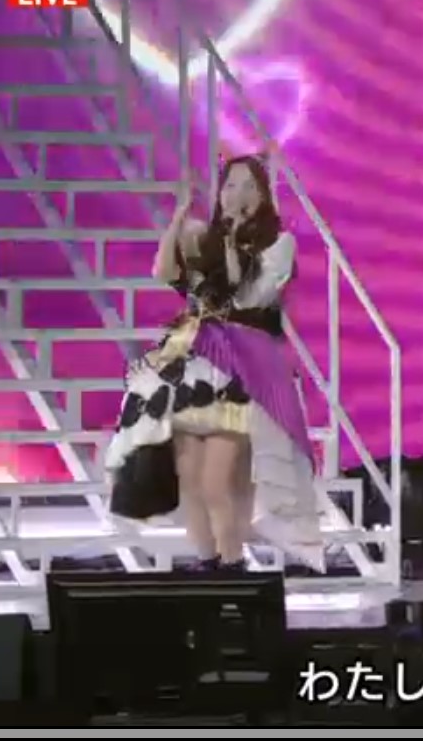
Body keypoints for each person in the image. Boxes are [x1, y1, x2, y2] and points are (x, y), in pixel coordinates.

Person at [103, 153, 326, 573]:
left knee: (218, 481)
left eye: (249, 186)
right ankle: (210, 567)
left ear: (264, 195)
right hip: (194, 359)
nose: (238, 194)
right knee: (189, 476)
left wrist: (232, 240)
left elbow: (246, 297)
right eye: (230, 185)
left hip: (242, 365)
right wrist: (179, 218)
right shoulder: (202, 238)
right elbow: (165, 272)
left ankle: (233, 567)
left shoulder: (278, 243)